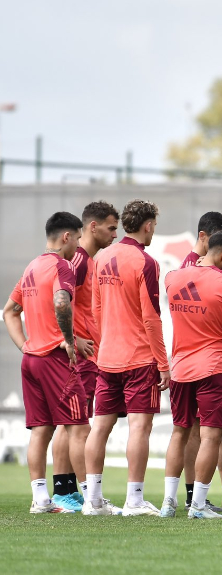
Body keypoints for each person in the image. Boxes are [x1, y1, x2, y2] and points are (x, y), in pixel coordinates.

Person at [160, 232, 222, 519]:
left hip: (180, 368)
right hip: (213, 368)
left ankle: (168, 503)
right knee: (211, 435)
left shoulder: (173, 277)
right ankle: (198, 506)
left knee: (179, 433)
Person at [84, 199, 169, 517]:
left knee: (99, 427)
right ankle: (134, 500)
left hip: (107, 358)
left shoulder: (102, 256)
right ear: (148, 225)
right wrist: (163, 363)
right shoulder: (147, 262)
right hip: (139, 359)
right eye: (154, 226)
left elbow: (96, 309)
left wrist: (104, 344)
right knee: (139, 428)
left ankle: (92, 501)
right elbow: (151, 318)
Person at [3, 212, 90, 514]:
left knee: (41, 431)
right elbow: (62, 302)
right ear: (67, 237)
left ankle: (40, 499)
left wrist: (25, 346)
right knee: (78, 428)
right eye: (78, 239)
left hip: (32, 360)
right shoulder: (61, 265)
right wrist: (68, 339)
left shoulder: (32, 267)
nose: (79, 245)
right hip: (54, 357)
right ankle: (93, 498)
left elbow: (9, 311)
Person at [49, 201, 118, 512]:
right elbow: (59, 303)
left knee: (71, 423)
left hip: (86, 355)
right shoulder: (76, 261)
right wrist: (73, 340)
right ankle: (67, 492)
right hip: (78, 357)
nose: (115, 235)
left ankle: (66, 490)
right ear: (93, 227)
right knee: (73, 424)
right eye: (111, 228)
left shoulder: (87, 260)